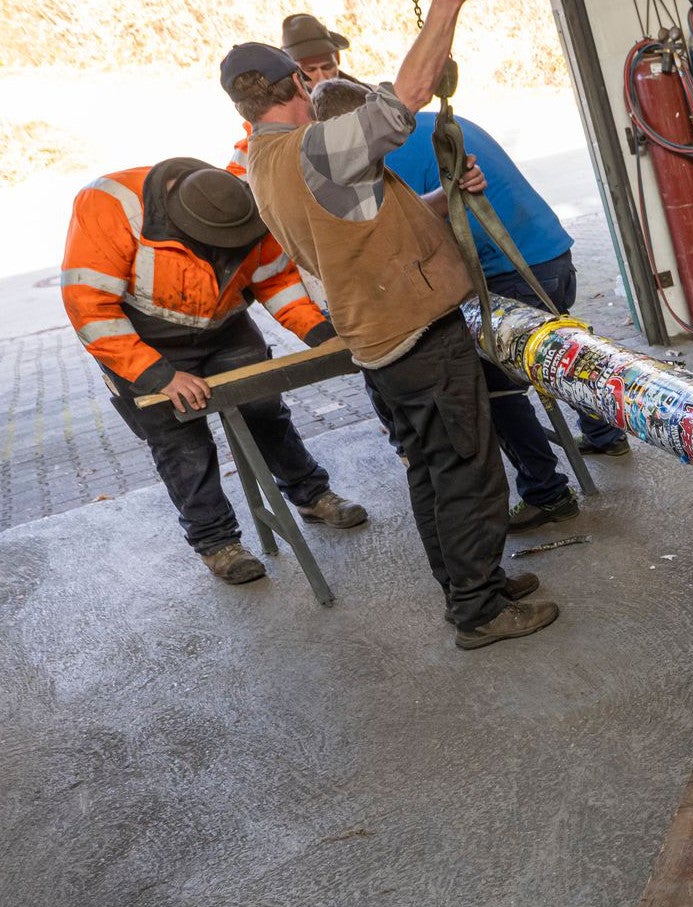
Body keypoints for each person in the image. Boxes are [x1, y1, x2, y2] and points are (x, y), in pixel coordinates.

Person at [225, 7, 560, 650]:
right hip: (416, 334)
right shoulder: (314, 149)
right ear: (299, 83)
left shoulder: (262, 161)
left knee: (433, 470)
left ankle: (470, 581)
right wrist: (446, 9)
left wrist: (446, 197)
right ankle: (478, 610)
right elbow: (405, 97)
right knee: (466, 468)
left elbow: (362, 225)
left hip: (381, 340)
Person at [308, 78, 626, 536]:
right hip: (552, 255)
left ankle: (547, 494)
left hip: (508, 271)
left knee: (493, 387)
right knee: (559, 350)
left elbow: (395, 230)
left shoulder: (382, 155)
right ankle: (605, 434)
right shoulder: (432, 125)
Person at [60, 157, 369, 584]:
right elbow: (89, 309)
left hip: (224, 326)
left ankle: (311, 494)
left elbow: (275, 280)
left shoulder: (240, 202)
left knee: (264, 408)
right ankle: (217, 542)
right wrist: (158, 376)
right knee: (181, 442)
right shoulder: (110, 205)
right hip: (142, 340)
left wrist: (320, 334)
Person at [228, 13, 362, 178]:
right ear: (295, 76)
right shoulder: (264, 129)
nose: (321, 78)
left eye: (327, 67)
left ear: (337, 59)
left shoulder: (370, 98)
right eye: (310, 70)